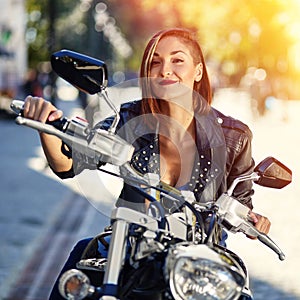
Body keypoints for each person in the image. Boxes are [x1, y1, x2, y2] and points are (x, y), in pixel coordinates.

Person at [23, 28, 271, 299]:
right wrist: (47, 127)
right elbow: (68, 164)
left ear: (198, 71)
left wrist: (255, 222)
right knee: (77, 274)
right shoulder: (129, 118)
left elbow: (242, 204)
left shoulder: (234, 135)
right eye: (156, 62)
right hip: (131, 247)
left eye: (177, 60)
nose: (165, 70)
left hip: (201, 255)